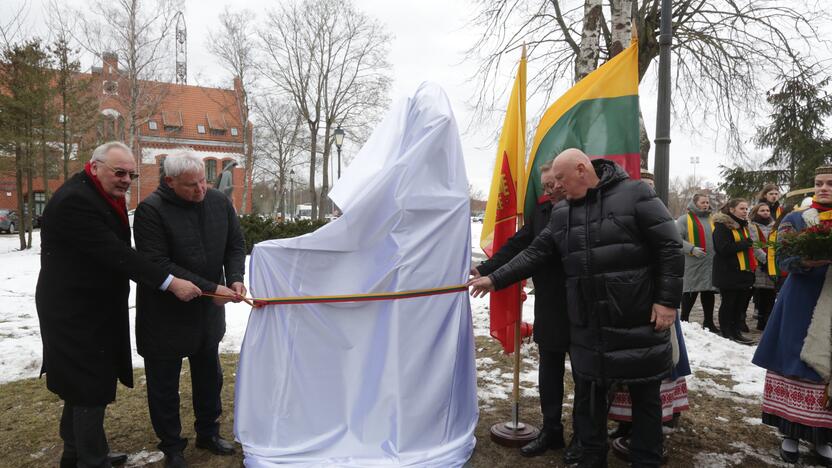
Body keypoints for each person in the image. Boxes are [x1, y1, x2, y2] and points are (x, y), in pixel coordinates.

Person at [469, 149, 684, 468]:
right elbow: (534, 253)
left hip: (635, 320)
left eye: (559, 179)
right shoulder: (562, 212)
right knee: (589, 401)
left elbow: (669, 247)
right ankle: (590, 458)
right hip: (586, 323)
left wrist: (666, 302)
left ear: (582, 170)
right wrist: (495, 279)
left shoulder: (635, 194)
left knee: (645, 401)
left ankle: (646, 460)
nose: (554, 187)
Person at [35, 141, 202, 468]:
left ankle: (76, 452)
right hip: (73, 311)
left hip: (92, 306)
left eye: (131, 174)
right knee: (88, 387)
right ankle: (91, 460)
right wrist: (170, 282)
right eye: (119, 172)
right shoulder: (76, 201)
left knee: (81, 382)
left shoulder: (96, 192)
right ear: (94, 166)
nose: (126, 179)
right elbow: (118, 254)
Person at [134, 150, 247, 468]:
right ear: (169, 181)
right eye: (190, 185)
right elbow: (157, 263)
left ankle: (208, 432)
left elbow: (235, 244)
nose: (200, 190)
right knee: (164, 384)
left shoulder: (218, 202)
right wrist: (213, 288)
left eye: (203, 181)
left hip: (207, 313)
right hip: (164, 315)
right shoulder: (150, 211)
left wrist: (236, 278)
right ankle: (171, 445)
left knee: (209, 376)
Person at [472, 163, 579, 462]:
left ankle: (584, 437)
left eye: (555, 183)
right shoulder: (543, 211)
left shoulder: (587, 207)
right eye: (545, 185)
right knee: (550, 369)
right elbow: (519, 245)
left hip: (583, 304)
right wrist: (485, 268)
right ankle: (551, 430)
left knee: (585, 376)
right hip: (550, 302)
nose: (550, 190)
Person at [752, 165, 832, 465]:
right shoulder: (795, 219)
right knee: (794, 360)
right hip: (800, 299)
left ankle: (824, 437)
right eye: (818, 183)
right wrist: (809, 260)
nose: (823, 188)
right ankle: (790, 434)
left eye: (829, 184)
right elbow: (784, 256)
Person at [711, 198, 755, 344]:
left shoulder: (743, 226)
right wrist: (744, 244)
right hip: (727, 272)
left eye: (746, 209)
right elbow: (722, 249)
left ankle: (736, 332)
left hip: (742, 272)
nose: (745, 211)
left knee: (739, 305)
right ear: (732, 210)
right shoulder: (722, 226)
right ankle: (726, 332)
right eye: (742, 208)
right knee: (728, 303)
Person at [748, 203, 777, 330]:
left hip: (772, 262)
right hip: (759, 264)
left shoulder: (774, 225)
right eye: (762, 211)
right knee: (761, 293)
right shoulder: (752, 226)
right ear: (756, 212)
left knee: (771, 294)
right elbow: (754, 245)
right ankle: (761, 320)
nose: (766, 212)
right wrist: (765, 259)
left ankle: (768, 320)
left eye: (767, 210)